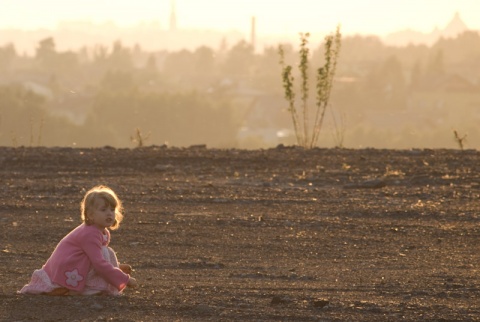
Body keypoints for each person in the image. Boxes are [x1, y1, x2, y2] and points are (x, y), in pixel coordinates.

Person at [19, 185, 138, 296]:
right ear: (90, 215)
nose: (109, 213)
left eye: (112, 210)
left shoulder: (100, 230)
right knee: (104, 253)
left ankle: (112, 269)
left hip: (73, 262)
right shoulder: (90, 233)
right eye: (103, 210)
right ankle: (94, 285)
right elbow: (98, 263)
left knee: (106, 252)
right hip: (68, 268)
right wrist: (125, 279)